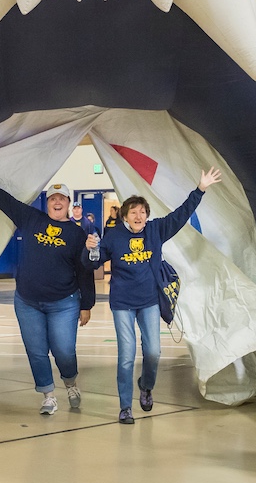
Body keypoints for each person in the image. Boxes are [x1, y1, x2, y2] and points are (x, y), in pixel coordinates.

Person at [85, 167, 222, 424]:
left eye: (143, 212)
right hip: (122, 303)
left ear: (147, 216)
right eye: (133, 212)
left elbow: (182, 215)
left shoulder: (156, 230)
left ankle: (146, 386)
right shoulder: (113, 236)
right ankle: (125, 407)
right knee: (126, 356)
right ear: (125, 216)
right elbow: (94, 263)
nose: (138, 216)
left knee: (154, 352)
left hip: (148, 301)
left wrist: (200, 189)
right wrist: (91, 250)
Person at [0, 160, 95, 415]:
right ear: (47, 202)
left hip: (64, 302)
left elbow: (84, 271)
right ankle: (48, 395)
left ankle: (70, 382)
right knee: (37, 352)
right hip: (27, 302)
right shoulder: (30, 219)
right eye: (52, 199)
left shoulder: (76, 234)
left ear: (69, 204)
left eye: (62, 199)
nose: (56, 203)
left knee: (63, 351)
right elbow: (5, 201)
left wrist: (87, 305)